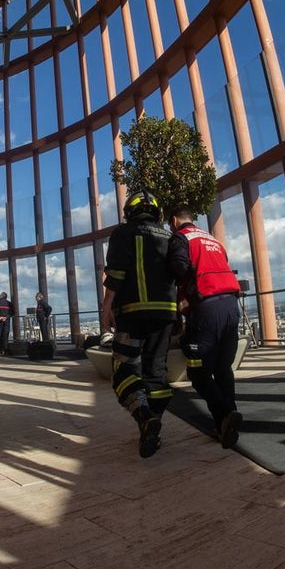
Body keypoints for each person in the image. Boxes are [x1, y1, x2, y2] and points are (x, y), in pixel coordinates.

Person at [100, 191, 178, 458]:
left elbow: (116, 273)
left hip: (133, 314)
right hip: (166, 315)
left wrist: (106, 308)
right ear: (156, 212)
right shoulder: (170, 236)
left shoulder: (123, 233)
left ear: (129, 211)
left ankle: (144, 417)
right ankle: (154, 426)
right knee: (157, 372)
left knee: (123, 372)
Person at [168, 205, 243, 449]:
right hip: (231, 307)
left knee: (198, 373)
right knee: (223, 367)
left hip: (207, 310)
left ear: (174, 221)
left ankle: (223, 415)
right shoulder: (213, 240)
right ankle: (229, 418)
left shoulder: (181, 237)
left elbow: (178, 268)